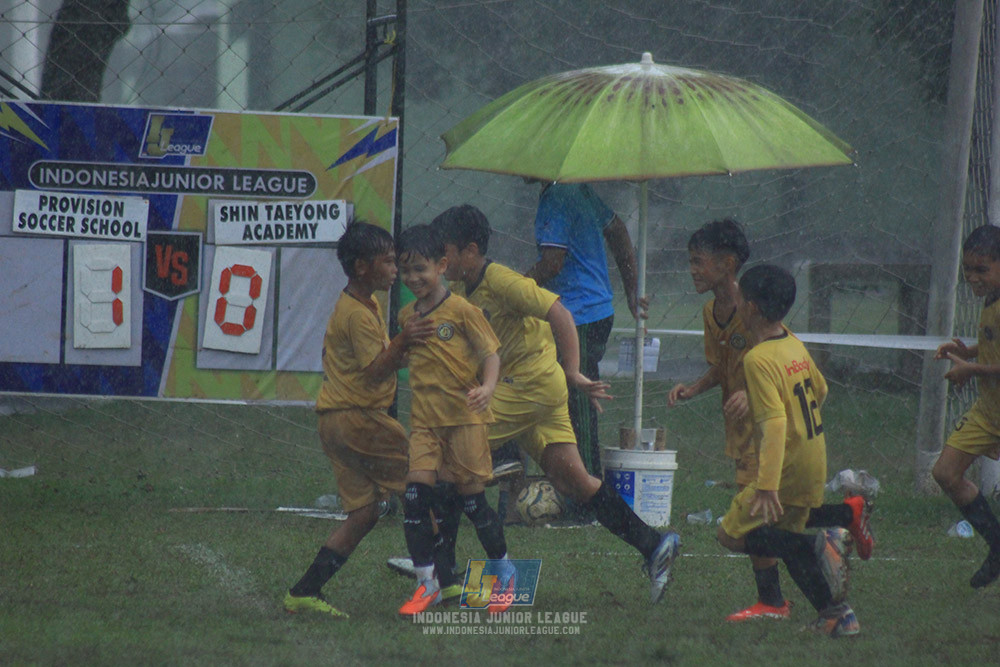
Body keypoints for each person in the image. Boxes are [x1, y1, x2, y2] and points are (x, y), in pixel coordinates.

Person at [432, 204, 680, 604]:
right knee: (576, 482)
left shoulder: (502, 280)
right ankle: (654, 545)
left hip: (532, 387)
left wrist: (574, 370)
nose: (442, 262)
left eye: (446, 253)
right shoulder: (462, 287)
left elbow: (559, 312)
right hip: (532, 394)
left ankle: (435, 567)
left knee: (449, 451)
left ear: (471, 250)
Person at [669, 220, 873, 622]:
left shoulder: (760, 329)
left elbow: (775, 388)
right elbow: (727, 366)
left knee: (747, 526)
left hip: (769, 443)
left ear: (728, 266)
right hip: (775, 441)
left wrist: (758, 396)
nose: (692, 269)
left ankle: (778, 595)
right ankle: (833, 596)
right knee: (776, 526)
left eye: (698, 261)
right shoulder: (719, 315)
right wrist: (697, 386)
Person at [283, 221, 434, 619]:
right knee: (423, 482)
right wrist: (404, 339)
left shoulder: (364, 302)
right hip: (359, 419)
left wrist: (410, 348)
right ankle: (437, 580)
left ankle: (304, 591)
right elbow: (372, 372)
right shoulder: (357, 314)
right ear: (363, 267)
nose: (395, 270)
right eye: (387, 262)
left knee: (365, 513)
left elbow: (381, 361)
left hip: (335, 421)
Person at [716, 264, 859, 638]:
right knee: (787, 541)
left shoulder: (757, 359)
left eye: (739, 298)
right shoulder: (792, 343)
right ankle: (836, 615)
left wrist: (766, 485)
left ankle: (821, 539)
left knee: (730, 534)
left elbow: (776, 424)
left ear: (750, 308)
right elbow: (821, 390)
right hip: (813, 455)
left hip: (786, 467)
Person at [394, 223, 513, 616]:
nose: (413, 278)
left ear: (442, 265)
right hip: (425, 424)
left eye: (421, 269)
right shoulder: (405, 317)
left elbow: (491, 354)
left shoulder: (463, 310)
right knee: (414, 498)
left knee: (474, 504)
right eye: (406, 270)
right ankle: (426, 584)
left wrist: (489, 387)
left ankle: (504, 573)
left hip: (464, 422)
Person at [524, 181, 646, 476]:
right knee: (568, 398)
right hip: (597, 310)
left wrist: (516, 289)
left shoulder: (556, 195)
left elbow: (552, 263)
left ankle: (586, 491)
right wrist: (630, 288)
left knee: (575, 402)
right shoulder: (578, 189)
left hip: (578, 317)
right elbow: (616, 228)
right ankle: (570, 480)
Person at [932, 224, 1000, 588]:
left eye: (982, 270)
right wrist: (966, 352)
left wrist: (971, 369)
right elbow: (993, 344)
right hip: (989, 413)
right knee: (945, 473)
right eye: (968, 270)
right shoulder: (991, 303)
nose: (973, 278)